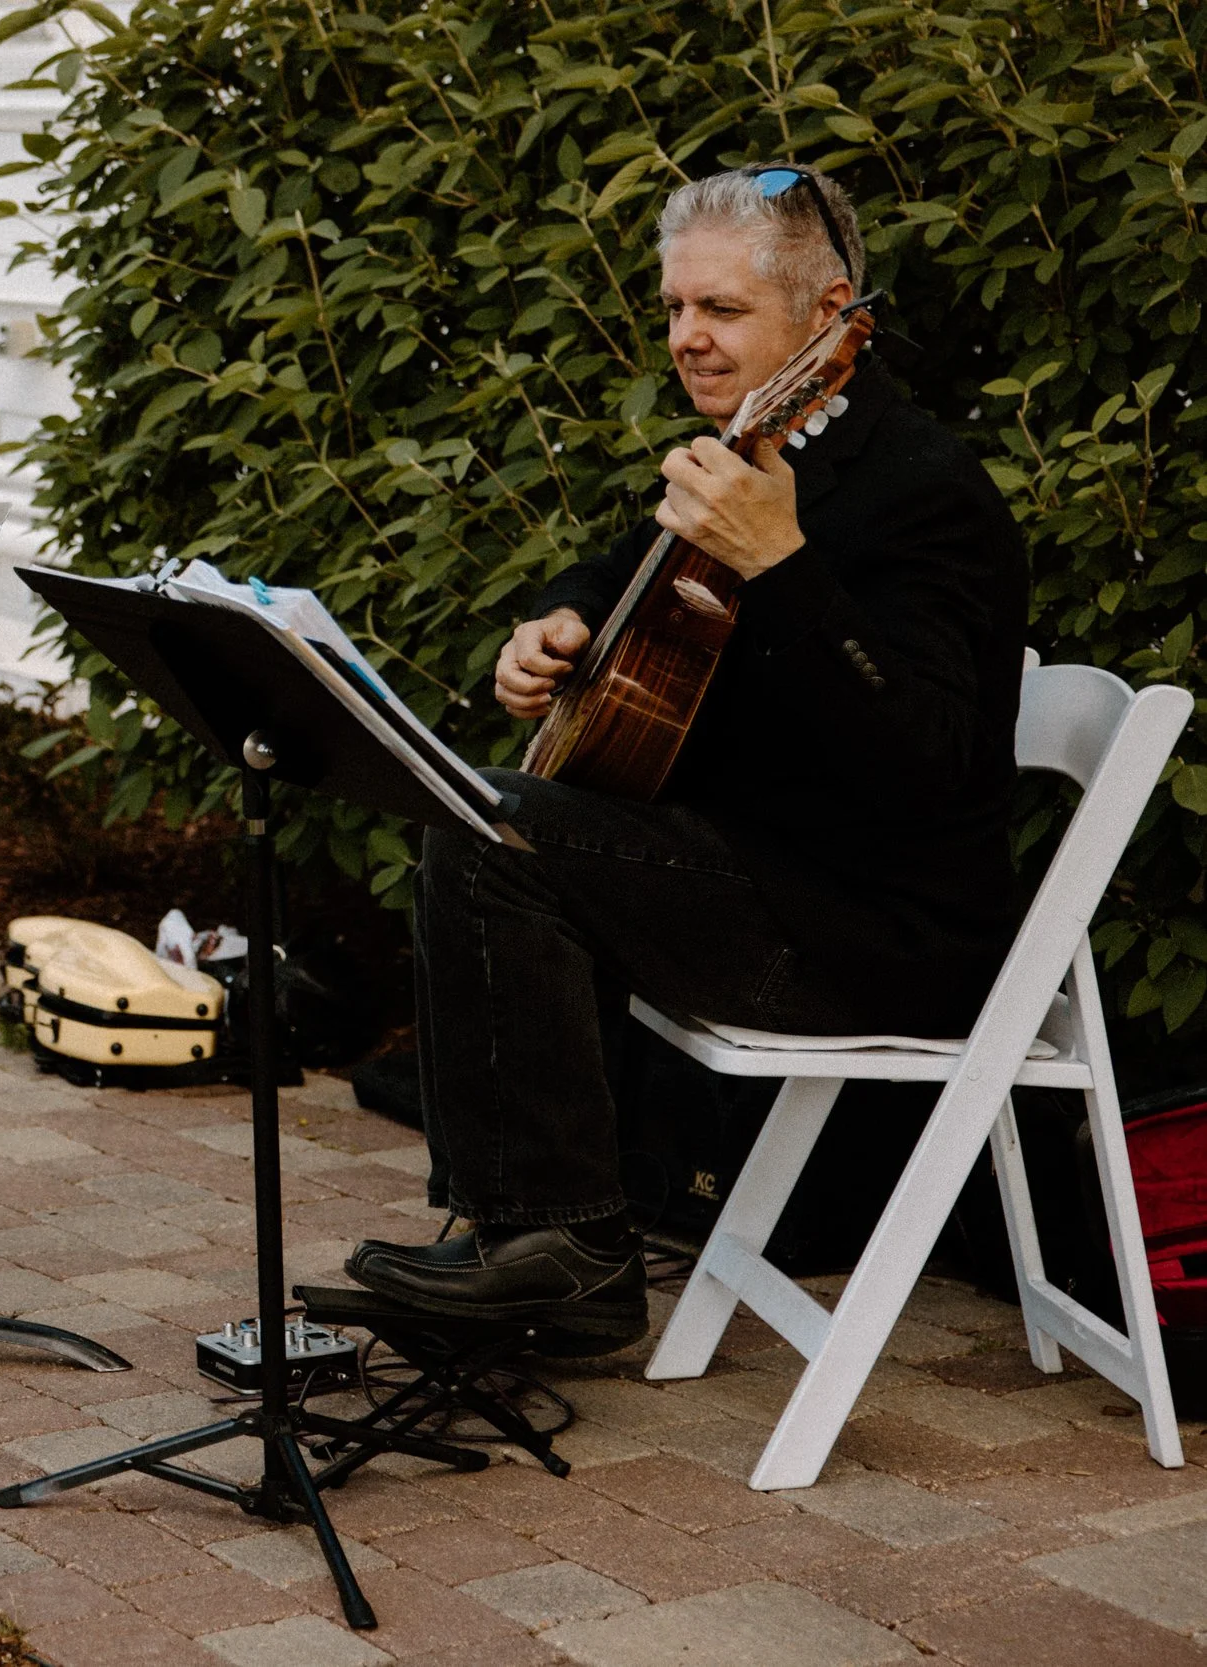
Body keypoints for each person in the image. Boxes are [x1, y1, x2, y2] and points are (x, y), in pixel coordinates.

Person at [343, 165, 1027, 1353]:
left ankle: (560, 1251)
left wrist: (786, 569)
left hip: (872, 934)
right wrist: (548, 628)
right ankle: (527, 1233)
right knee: (477, 804)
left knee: (489, 830)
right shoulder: (752, 443)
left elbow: (925, 762)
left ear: (826, 315)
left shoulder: (925, 493)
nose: (687, 339)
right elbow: (609, 573)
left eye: (719, 311)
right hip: (760, 875)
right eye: (673, 309)